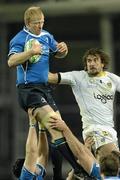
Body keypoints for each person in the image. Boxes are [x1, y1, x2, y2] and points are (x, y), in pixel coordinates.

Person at [8, 6, 86, 179]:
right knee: (55, 127)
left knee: (58, 128)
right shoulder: (20, 38)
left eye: (42, 23)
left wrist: (62, 51)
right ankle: (78, 169)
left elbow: (56, 53)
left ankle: (63, 173)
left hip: (45, 89)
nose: (40, 26)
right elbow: (11, 61)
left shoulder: (46, 36)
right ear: (27, 23)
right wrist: (30, 52)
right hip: (29, 91)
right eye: (36, 24)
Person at [48, 48, 120, 157]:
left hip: (110, 131)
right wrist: (37, 59)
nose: (92, 63)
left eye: (95, 60)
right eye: (89, 61)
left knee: (109, 171)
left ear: (103, 63)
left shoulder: (113, 79)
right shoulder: (77, 77)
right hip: (94, 129)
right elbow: (51, 77)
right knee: (116, 163)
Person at [48, 118, 120, 180]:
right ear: (118, 169)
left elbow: (80, 153)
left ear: (101, 170)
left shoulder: (98, 174)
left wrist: (65, 129)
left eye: (97, 154)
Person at [12, 108, 48, 179]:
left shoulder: (34, 175)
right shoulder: (26, 178)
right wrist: (32, 124)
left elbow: (42, 155)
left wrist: (41, 127)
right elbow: (32, 153)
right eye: (34, 163)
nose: (37, 164)